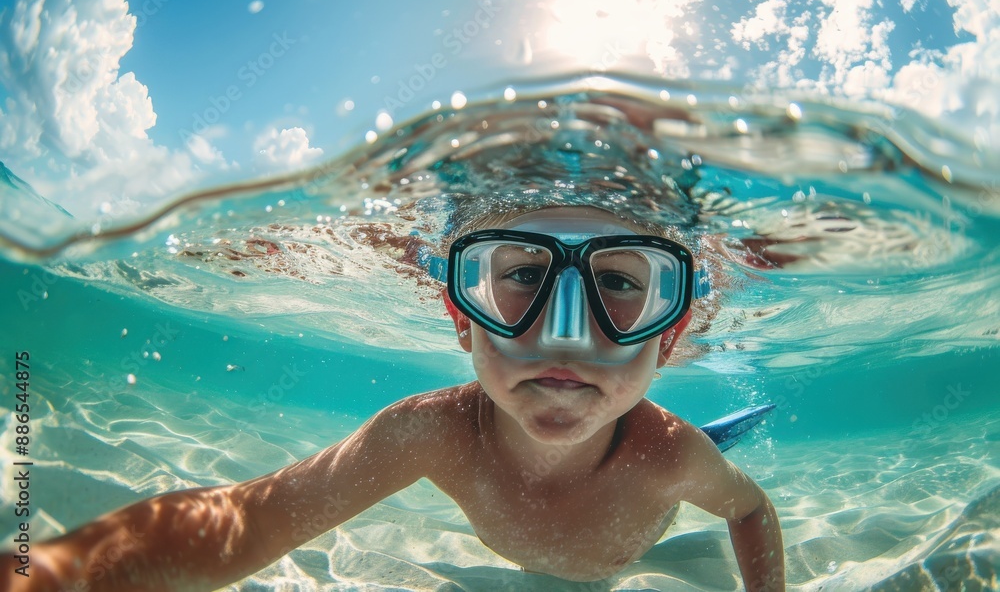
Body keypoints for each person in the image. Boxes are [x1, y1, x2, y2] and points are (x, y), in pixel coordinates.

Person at [3, 204, 785, 591]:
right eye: (521, 275)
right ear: (461, 316)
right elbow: (252, 517)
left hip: (635, 547)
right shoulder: (430, 432)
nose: (565, 334)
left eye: (618, 283)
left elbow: (750, 510)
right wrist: (52, 573)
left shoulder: (670, 454)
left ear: (669, 339)